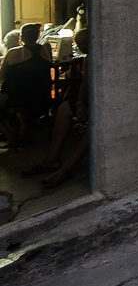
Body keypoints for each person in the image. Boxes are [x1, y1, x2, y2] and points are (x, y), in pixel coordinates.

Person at [24, 29, 89, 188]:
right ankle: (52, 159)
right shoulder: (88, 60)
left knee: (96, 126)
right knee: (64, 108)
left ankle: (66, 169)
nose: (81, 47)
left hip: (103, 104)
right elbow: (83, 85)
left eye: (84, 43)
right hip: (89, 101)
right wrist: (80, 104)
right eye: (78, 44)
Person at [0, 23, 53, 147]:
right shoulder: (47, 49)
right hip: (42, 97)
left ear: (21, 37)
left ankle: (9, 133)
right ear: (38, 35)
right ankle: (23, 124)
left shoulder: (13, 53)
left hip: (16, 100)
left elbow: (1, 76)